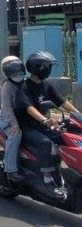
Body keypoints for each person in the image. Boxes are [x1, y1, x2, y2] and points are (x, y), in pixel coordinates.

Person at [14, 51, 79, 198]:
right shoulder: (25, 87)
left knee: (64, 138)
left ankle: (62, 174)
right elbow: (29, 108)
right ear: (37, 67)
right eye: (47, 67)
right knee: (46, 144)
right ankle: (47, 179)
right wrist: (44, 119)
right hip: (28, 127)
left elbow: (62, 102)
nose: (49, 70)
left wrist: (79, 115)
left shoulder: (47, 86)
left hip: (43, 126)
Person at [0, 56, 26, 183]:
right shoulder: (7, 86)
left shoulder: (26, 83)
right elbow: (7, 108)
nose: (17, 74)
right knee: (16, 136)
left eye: (19, 71)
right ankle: (10, 170)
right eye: (14, 72)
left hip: (24, 118)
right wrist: (14, 125)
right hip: (8, 120)